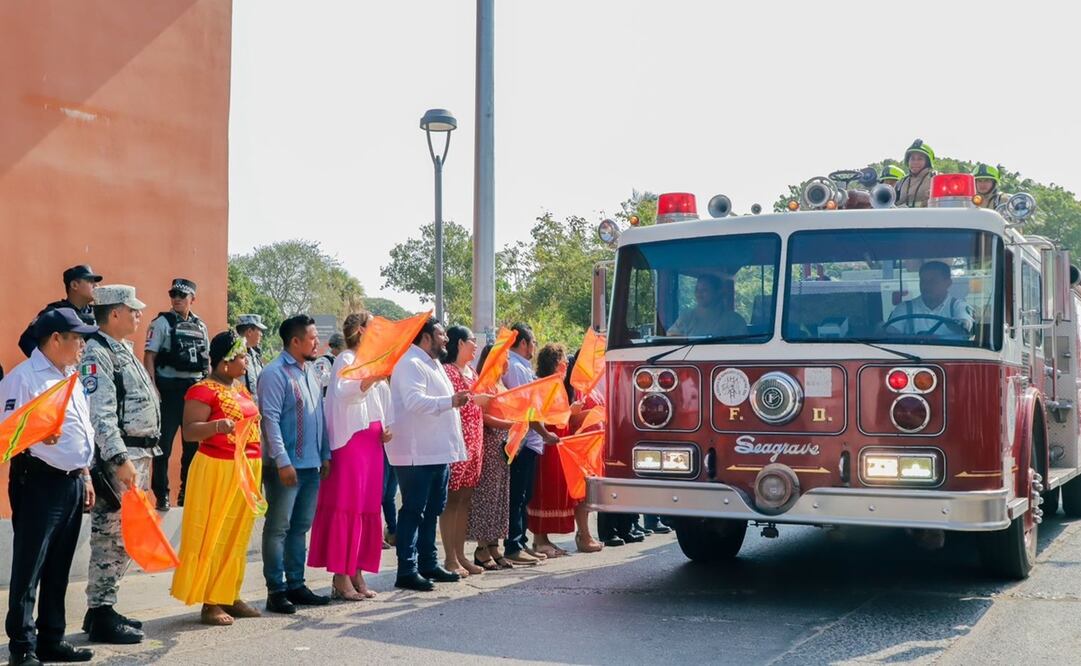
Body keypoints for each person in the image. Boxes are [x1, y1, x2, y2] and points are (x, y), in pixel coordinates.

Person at [2, 308, 97, 665]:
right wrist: (37, 433)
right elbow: (6, 429)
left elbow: (83, 429)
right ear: (55, 339)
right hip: (38, 481)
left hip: (71, 481)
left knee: (59, 565)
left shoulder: (70, 376)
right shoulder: (23, 378)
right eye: (77, 338)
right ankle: (22, 647)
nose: (82, 345)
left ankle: (51, 638)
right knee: (30, 567)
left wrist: (85, 475)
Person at [81, 286, 160, 645]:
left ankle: (104, 609)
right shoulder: (98, 354)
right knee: (110, 538)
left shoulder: (121, 351)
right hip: (121, 459)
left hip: (137, 456)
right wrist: (119, 459)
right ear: (114, 314)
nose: (138, 315)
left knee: (123, 538)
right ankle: (100, 612)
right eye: (133, 310)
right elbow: (102, 416)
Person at [171, 331, 263, 626]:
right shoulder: (202, 390)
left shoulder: (241, 389)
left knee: (237, 535)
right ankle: (210, 602)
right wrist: (217, 426)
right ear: (225, 363)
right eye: (241, 356)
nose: (246, 361)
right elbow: (190, 430)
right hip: (217, 468)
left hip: (246, 468)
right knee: (214, 533)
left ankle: (229, 593)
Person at [308, 312, 394, 601]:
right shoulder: (346, 359)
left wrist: (385, 426)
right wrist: (372, 378)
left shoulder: (371, 361)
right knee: (349, 506)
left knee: (368, 506)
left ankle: (357, 570)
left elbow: (380, 399)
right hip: (350, 442)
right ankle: (341, 576)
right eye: (372, 326)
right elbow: (345, 393)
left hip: (371, 442)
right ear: (360, 330)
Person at [387, 316, 472, 591]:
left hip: (436, 452)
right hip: (416, 453)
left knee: (433, 510)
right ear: (425, 337)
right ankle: (407, 570)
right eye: (441, 334)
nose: (446, 338)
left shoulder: (433, 363)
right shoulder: (410, 363)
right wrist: (451, 401)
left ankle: (427, 563)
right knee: (414, 510)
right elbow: (414, 402)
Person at [259, 314, 332, 614]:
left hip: (311, 466)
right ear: (295, 341)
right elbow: (270, 420)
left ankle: (296, 584)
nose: (318, 343)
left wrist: (325, 454)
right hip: (284, 467)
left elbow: (320, 415)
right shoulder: (275, 373)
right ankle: (276, 590)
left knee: (300, 527)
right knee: (278, 527)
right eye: (313, 338)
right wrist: (282, 460)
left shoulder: (311, 372)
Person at [527, 346, 604, 556]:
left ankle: (545, 540)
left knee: (554, 492)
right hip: (546, 446)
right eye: (563, 360)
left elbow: (561, 417)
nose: (567, 364)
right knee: (544, 492)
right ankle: (539, 540)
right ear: (554, 363)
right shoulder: (544, 385)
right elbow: (533, 415)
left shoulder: (558, 385)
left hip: (557, 444)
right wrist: (545, 434)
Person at [144, 278, 210, 511]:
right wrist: (153, 388)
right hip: (168, 390)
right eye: (174, 294)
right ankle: (161, 495)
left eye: (182, 295)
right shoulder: (161, 323)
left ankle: (187, 493)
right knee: (163, 447)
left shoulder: (201, 326)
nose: (177, 299)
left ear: (193, 298)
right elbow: (150, 356)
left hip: (194, 392)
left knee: (192, 446)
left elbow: (207, 362)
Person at [502, 323, 557, 565]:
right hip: (522, 442)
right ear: (523, 343)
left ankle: (521, 541)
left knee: (524, 496)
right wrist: (544, 433)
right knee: (517, 496)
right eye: (532, 342)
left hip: (530, 442)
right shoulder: (515, 367)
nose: (534, 346)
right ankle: (513, 544)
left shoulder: (522, 367)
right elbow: (526, 409)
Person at [439, 326, 486, 577]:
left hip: (475, 442)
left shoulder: (473, 371)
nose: (475, 346)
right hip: (458, 443)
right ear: (459, 343)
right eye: (471, 341)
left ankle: (461, 555)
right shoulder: (448, 371)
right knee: (452, 500)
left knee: (465, 499)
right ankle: (449, 557)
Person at [468, 343, 517, 570]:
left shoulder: (501, 383)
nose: (508, 362)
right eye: (505, 357)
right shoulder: (485, 382)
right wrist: (511, 424)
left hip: (504, 445)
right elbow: (483, 415)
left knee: (500, 496)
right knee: (487, 495)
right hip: (490, 443)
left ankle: (494, 544)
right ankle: (481, 547)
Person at [17, 265, 103, 357]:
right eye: (90, 281)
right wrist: (47, 364)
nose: (96, 285)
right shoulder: (55, 313)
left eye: (96, 282)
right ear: (74, 285)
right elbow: (26, 341)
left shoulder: (100, 313)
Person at [886, 261, 974, 337]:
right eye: (923, 281)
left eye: (933, 281)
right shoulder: (905, 308)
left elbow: (965, 324)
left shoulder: (958, 306)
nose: (926, 286)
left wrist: (961, 325)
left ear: (948, 283)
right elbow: (890, 333)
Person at [667, 274, 748, 338]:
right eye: (697, 290)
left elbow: (741, 347)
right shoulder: (686, 318)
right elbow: (671, 338)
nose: (699, 294)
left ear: (718, 292)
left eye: (704, 290)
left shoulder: (734, 320)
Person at [236, 314, 268, 403]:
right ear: (250, 331)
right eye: (259, 330)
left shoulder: (255, 356)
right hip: (239, 408)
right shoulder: (233, 355)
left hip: (255, 410)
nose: (261, 334)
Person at [895, 139, 937, 208]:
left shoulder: (935, 179)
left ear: (927, 162)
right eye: (912, 159)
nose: (915, 162)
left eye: (920, 159)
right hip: (902, 218)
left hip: (928, 218)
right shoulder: (901, 183)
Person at [313, 332, 346, 397]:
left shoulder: (341, 360)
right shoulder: (323, 361)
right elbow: (320, 380)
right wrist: (340, 372)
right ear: (337, 347)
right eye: (344, 347)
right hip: (326, 401)